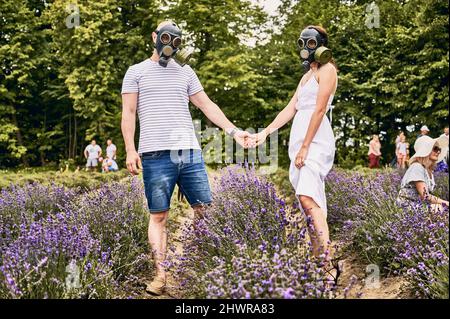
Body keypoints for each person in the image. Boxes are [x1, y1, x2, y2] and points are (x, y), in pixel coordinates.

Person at [121, 21, 252, 296]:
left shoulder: (186, 72)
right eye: (165, 36)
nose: (169, 42)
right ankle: (161, 275)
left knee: (204, 209)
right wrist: (130, 149)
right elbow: (129, 112)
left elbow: (206, 105)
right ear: (154, 37)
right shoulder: (136, 72)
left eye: (175, 39)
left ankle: (199, 262)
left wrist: (233, 130)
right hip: (155, 153)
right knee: (159, 215)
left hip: (189, 152)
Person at [251, 25, 339, 284]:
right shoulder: (306, 77)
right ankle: (316, 261)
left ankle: (328, 266)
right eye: (302, 43)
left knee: (308, 197)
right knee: (306, 204)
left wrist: (305, 147)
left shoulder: (328, 70)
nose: (305, 48)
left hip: (315, 141)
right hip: (299, 141)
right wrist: (266, 132)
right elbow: (291, 109)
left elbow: (319, 110)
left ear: (321, 45)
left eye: (310, 43)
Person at [397, 135, 449, 212]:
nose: (438, 152)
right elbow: (425, 196)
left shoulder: (428, 170)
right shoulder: (417, 167)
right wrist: (446, 203)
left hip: (418, 204)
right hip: (406, 206)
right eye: (435, 149)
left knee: (442, 208)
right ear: (426, 150)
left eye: (439, 149)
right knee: (442, 209)